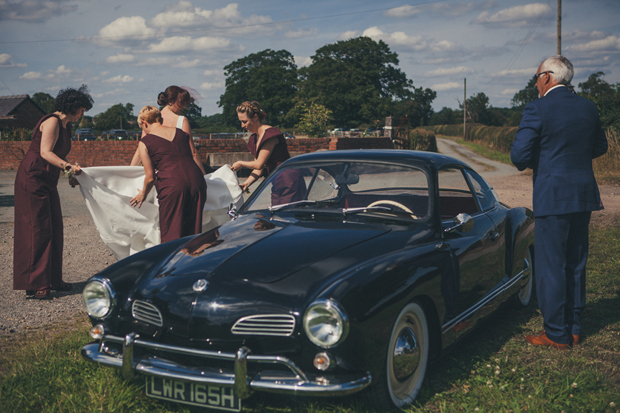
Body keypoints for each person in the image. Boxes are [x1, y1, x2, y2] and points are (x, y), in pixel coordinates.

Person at [511, 55, 608, 350]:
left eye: (537, 77)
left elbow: (519, 157)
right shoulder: (588, 107)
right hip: (583, 194)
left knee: (552, 265)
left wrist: (550, 163)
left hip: (553, 196)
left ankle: (555, 333)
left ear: (548, 77)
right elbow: (601, 146)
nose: (536, 83)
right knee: (577, 262)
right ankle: (575, 328)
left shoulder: (537, 109)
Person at [13, 85, 93, 299]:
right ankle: (36, 283)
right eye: (82, 110)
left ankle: (53, 279)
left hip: (47, 180)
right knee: (38, 228)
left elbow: (56, 156)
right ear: (73, 107)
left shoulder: (65, 125)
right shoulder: (52, 121)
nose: (83, 114)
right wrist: (67, 167)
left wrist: (70, 173)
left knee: (55, 225)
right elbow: (45, 152)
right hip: (33, 178)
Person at [130, 106, 206, 243]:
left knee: (172, 234)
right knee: (194, 232)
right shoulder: (181, 133)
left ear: (144, 123)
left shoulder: (145, 142)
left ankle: (173, 263)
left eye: (142, 127)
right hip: (196, 181)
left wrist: (143, 194)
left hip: (172, 185)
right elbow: (191, 154)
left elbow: (150, 177)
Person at [230, 101, 306, 206]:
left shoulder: (270, 135)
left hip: (289, 180)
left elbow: (259, 164)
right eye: (241, 122)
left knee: (286, 216)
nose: (242, 125)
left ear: (255, 117)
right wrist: (246, 183)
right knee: (274, 215)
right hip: (277, 180)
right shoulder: (255, 137)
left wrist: (241, 163)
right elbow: (259, 168)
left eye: (245, 121)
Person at [131, 85, 205, 175]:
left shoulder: (150, 119)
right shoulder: (182, 120)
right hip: (180, 173)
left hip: (157, 174)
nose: (184, 107)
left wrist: (130, 172)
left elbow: (140, 151)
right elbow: (193, 152)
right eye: (181, 103)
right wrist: (204, 176)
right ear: (170, 101)